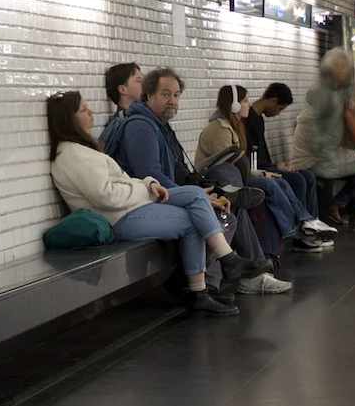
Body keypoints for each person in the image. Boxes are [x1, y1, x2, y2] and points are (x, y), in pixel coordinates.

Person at [47, 93, 242, 315]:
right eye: (83, 110)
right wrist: (144, 190)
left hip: (129, 208)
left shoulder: (79, 149)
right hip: (118, 219)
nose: (91, 112)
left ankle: (221, 267)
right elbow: (107, 196)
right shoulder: (74, 154)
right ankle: (206, 285)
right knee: (193, 221)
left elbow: (119, 182)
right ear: (67, 120)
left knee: (196, 195)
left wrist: (148, 184)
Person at [106, 69, 286, 292]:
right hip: (144, 202)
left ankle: (229, 278)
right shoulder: (141, 128)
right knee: (218, 215)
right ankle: (205, 284)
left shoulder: (159, 125)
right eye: (165, 94)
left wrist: (197, 188)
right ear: (148, 96)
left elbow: (175, 170)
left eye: (176, 95)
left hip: (165, 194)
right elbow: (151, 180)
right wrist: (196, 195)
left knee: (228, 205)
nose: (172, 101)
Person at [199, 86, 328, 255]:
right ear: (234, 105)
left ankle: (305, 222)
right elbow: (232, 166)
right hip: (224, 183)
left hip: (238, 177)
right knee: (269, 184)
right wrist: (262, 173)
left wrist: (263, 172)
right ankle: (298, 227)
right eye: (245, 100)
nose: (249, 104)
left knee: (278, 181)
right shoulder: (220, 129)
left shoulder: (231, 126)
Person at [297, 47, 355, 227]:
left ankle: (345, 206)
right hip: (313, 159)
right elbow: (321, 145)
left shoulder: (339, 104)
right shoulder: (317, 110)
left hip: (327, 154)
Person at [244, 84, 334, 231]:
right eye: (280, 109)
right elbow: (251, 157)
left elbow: (261, 153)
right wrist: (273, 168)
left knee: (308, 176)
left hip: (263, 166)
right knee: (298, 179)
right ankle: (304, 229)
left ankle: (313, 222)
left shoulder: (258, 119)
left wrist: (276, 166)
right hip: (256, 170)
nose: (279, 114)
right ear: (273, 101)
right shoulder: (248, 121)